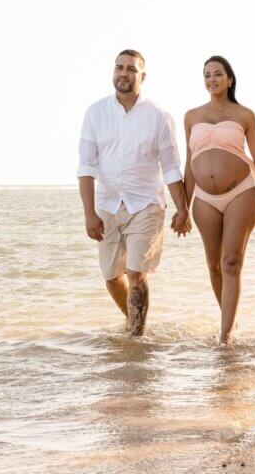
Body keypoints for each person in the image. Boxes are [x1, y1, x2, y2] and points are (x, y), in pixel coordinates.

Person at [78, 49, 191, 337]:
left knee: (136, 273)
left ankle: (136, 339)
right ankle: (132, 322)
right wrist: (89, 212)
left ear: (143, 76)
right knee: (112, 277)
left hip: (146, 205)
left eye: (130, 69)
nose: (123, 73)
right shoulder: (96, 112)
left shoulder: (158, 116)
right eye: (119, 67)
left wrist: (182, 209)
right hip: (107, 205)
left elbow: (171, 168)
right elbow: (86, 166)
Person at [183, 56, 255, 345]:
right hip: (204, 198)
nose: (212, 79)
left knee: (231, 261)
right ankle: (228, 318)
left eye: (218, 74)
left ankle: (225, 336)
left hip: (240, 193)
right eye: (207, 75)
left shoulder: (245, 115)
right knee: (213, 265)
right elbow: (188, 165)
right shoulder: (191, 116)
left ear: (229, 79)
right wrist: (181, 208)